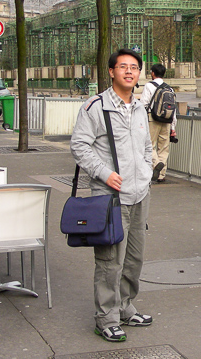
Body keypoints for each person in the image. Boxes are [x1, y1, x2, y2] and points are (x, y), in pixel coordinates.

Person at [70, 48, 154, 342]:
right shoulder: (96, 107)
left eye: (134, 67)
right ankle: (106, 317)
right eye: (123, 67)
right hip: (110, 197)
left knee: (134, 258)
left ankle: (125, 307)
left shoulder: (140, 107)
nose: (129, 72)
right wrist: (104, 173)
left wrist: (147, 171)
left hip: (140, 194)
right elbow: (79, 146)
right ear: (111, 71)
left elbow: (146, 146)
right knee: (110, 260)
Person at [140, 63, 177, 183]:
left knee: (149, 145)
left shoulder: (149, 86)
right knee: (164, 148)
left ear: (152, 73)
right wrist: (173, 127)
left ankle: (156, 164)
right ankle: (161, 175)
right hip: (167, 120)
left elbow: (144, 104)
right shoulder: (170, 89)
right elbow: (173, 109)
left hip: (153, 119)